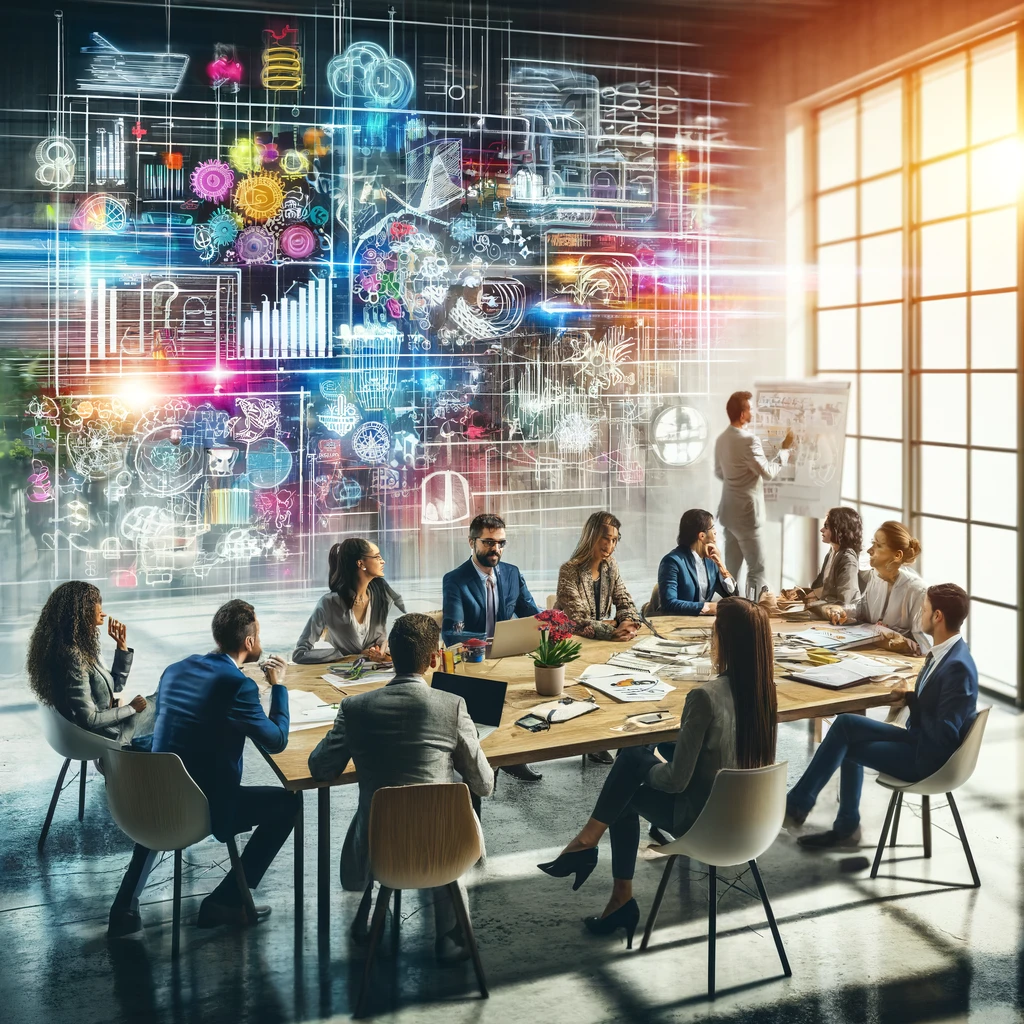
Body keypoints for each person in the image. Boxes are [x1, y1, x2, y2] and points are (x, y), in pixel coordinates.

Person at [537, 598, 777, 945]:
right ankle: (589, 850)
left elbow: (677, 781)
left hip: (705, 826)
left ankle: (598, 860)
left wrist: (643, 768)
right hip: (754, 823)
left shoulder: (704, 697)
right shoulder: (765, 692)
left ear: (723, 639)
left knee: (630, 770)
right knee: (641, 754)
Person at [308, 613, 493, 963]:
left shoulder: (354, 708)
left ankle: (372, 917)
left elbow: (321, 768)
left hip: (382, 846)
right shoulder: (452, 706)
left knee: (382, 808)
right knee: (443, 813)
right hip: (447, 847)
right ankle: (452, 936)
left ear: (391, 653)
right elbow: (483, 785)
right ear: (434, 658)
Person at [108, 600, 298, 937]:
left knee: (171, 782)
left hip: (150, 795)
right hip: (199, 808)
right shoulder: (239, 686)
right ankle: (226, 901)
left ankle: (124, 906)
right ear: (250, 643)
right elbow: (276, 741)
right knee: (289, 804)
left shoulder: (176, 669)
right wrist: (279, 685)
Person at [786, 584, 978, 849]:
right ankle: (804, 808)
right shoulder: (945, 653)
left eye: (923, 610)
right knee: (846, 723)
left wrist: (914, 704)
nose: (919, 615)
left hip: (928, 759)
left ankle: (823, 818)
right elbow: (936, 711)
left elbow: (945, 733)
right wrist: (909, 697)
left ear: (938, 616)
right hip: (919, 738)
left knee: (848, 746)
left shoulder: (957, 667)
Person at [442, 513, 544, 782]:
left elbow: (530, 614)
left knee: (530, 689)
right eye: (488, 542)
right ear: (472, 542)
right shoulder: (455, 580)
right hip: (474, 664)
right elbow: (453, 633)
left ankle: (513, 756)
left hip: (508, 658)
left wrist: (551, 622)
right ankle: (482, 763)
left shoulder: (511, 574)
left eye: (501, 543)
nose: (495, 549)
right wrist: (493, 639)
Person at [27, 581, 155, 745]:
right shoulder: (74, 657)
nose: (103, 614)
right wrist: (131, 708)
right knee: (166, 701)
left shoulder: (79, 647)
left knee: (165, 697)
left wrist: (122, 647)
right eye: (99, 609)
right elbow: (89, 720)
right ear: (83, 613)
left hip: (106, 721)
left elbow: (114, 687)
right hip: (105, 731)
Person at [714, 390, 794, 596]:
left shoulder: (722, 439)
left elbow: (719, 471)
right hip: (748, 514)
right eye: (750, 408)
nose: (753, 412)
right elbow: (767, 472)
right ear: (742, 414)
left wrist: (737, 479)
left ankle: (730, 607)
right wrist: (784, 450)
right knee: (757, 568)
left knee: (730, 569)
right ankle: (754, 612)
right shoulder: (750, 440)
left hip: (728, 511)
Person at [821, 520, 928, 654]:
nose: (869, 550)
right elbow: (862, 610)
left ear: (897, 555)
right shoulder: (875, 577)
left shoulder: (917, 590)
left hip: (900, 662)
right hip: (872, 654)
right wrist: (842, 611)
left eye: (878, 546)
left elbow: (924, 646)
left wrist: (897, 639)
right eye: (873, 543)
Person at [292, 538, 405, 664]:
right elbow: (300, 653)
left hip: (375, 675)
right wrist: (346, 655)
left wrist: (381, 653)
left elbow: (386, 643)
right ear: (361, 564)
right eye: (377, 557)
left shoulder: (382, 599)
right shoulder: (329, 603)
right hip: (342, 678)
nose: (383, 561)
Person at [555, 512, 640, 641]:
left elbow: (625, 603)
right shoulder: (569, 570)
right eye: (606, 538)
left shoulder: (611, 566)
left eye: (614, 540)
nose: (610, 545)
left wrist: (626, 623)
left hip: (597, 641)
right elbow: (577, 620)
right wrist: (611, 631)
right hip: (569, 642)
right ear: (592, 536)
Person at [781, 506, 862, 618]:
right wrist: (803, 592)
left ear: (838, 529)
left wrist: (814, 603)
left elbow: (844, 602)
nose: (821, 530)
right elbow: (823, 587)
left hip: (841, 616)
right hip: (827, 609)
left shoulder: (848, 558)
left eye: (826, 527)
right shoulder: (832, 552)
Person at [655, 509, 737, 616]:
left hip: (703, 623)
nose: (716, 533)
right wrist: (707, 607)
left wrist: (720, 564)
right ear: (702, 536)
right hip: (679, 625)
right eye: (713, 529)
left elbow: (734, 597)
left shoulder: (711, 562)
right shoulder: (672, 561)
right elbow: (668, 604)